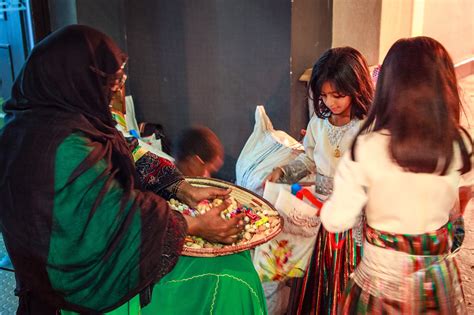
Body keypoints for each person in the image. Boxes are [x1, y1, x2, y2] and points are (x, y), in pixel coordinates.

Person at [0, 25, 245, 314]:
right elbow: (112, 221)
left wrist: (183, 189)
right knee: (232, 279)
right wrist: (192, 224)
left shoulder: (67, 118)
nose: (117, 88)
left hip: (86, 266)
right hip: (76, 288)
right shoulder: (61, 146)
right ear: (76, 79)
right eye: (109, 80)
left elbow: (126, 149)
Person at [320, 36, 472, 314]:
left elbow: (336, 220)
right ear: (444, 85)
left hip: (382, 285)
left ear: (387, 87)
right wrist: (453, 220)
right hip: (436, 283)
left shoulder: (367, 146)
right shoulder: (458, 141)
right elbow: (464, 192)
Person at [264, 47, 374, 314]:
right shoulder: (318, 123)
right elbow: (309, 160)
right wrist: (283, 172)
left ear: (356, 88)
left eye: (338, 95)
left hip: (352, 217)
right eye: (324, 96)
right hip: (318, 213)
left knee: (345, 277)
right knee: (314, 277)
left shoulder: (368, 127)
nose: (330, 103)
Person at [137, 126, 267, 314]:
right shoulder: (86, 152)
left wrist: (186, 191)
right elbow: (126, 214)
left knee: (241, 264)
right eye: (208, 169)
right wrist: (194, 224)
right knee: (237, 279)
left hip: (163, 224)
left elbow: (132, 154)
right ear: (196, 161)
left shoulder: (110, 139)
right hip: (140, 260)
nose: (208, 175)